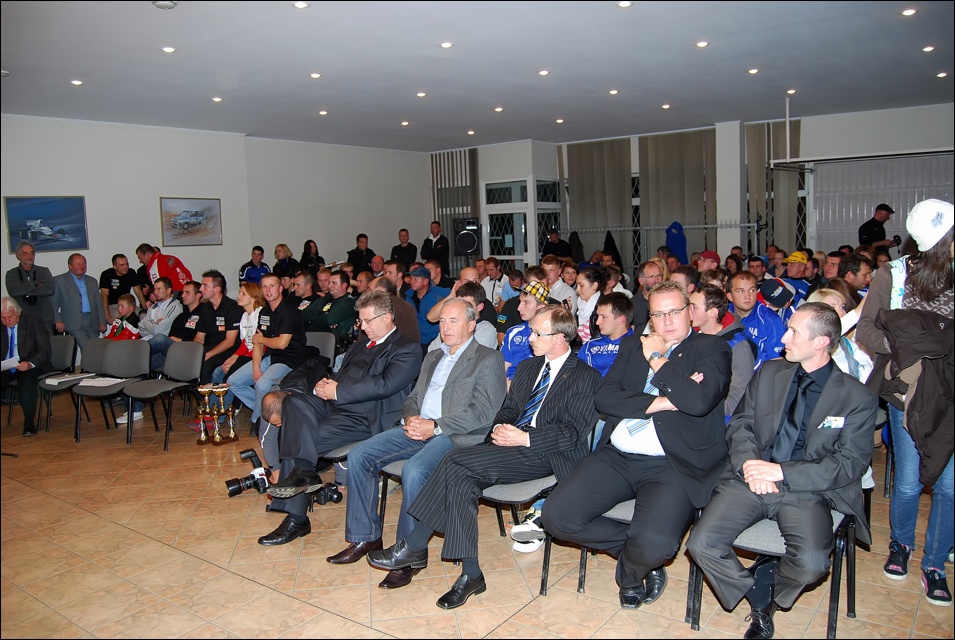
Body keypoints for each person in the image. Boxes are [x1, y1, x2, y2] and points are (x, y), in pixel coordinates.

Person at [366, 306, 602, 606]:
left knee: (454, 460)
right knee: (462, 480)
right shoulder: (529, 368)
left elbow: (573, 434)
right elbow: (507, 410)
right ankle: (471, 574)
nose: (530, 338)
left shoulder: (585, 376)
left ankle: (413, 545)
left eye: (537, 333)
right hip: (509, 446)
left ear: (560, 337)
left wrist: (525, 437)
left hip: (547, 453)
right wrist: (501, 429)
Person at [687, 302, 877, 638]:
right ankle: (759, 595)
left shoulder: (856, 396)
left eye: (793, 332)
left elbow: (849, 462)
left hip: (806, 489)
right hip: (750, 479)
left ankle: (769, 582)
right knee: (701, 544)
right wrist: (750, 465)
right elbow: (741, 424)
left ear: (821, 342)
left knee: (812, 564)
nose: (783, 339)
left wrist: (782, 472)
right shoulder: (770, 373)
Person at [541, 281, 731, 610]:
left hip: (672, 463)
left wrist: (658, 358)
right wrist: (664, 401)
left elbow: (697, 401)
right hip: (617, 455)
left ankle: (631, 572)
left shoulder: (712, 348)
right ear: (649, 317)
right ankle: (634, 551)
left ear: (690, 312)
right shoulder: (632, 346)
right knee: (557, 517)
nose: (667, 321)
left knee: (657, 545)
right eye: (658, 314)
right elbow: (605, 398)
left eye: (674, 311)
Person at [326, 299, 507, 588]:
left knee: (415, 470)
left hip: (455, 435)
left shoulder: (487, 358)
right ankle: (365, 537)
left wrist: (434, 426)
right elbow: (413, 397)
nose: (445, 327)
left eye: (454, 321)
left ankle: (409, 554)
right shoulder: (433, 356)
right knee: (360, 454)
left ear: (472, 324)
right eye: (442, 321)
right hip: (419, 427)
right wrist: (411, 418)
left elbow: (483, 412)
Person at [260, 291, 422, 546]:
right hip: (335, 407)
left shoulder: (407, 348)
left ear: (387, 317)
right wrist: (323, 385)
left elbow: (385, 385)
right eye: (361, 321)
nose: (363, 327)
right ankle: (305, 473)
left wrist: (338, 391)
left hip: (366, 418)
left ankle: (296, 518)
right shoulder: (359, 345)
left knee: (298, 436)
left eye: (368, 321)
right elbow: (340, 376)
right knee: (292, 403)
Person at [856, 198, 954, 607]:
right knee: (910, 480)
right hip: (907, 392)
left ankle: (935, 563)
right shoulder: (893, 274)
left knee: (949, 484)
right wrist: (907, 349)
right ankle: (900, 544)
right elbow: (866, 330)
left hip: (950, 392)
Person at [223, 274, 306, 434]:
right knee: (233, 382)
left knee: (261, 385)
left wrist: (261, 339)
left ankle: (257, 422)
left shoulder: (290, 312)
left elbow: (282, 343)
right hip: (271, 358)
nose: (268, 290)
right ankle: (267, 410)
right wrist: (256, 368)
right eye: (265, 286)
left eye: (272, 286)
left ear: (280, 288)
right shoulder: (264, 313)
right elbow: (257, 344)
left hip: (290, 360)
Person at [689, 284, 756, 419]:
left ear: (713, 312)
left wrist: (714, 414)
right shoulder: (689, 337)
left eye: (694, 307)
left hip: (717, 419)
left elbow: (739, 394)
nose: (688, 311)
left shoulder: (738, 346)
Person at [2, 296, 52, 436]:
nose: (7, 321)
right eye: (3, 318)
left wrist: (30, 363)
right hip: (7, 366)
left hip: (31, 364)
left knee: (27, 380)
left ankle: (29, 422)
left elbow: (45, 351)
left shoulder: (34, 323)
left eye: (10, 317)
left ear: (18, 313)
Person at [210, 281, 264, 389]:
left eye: (243, 294)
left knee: (227, 375)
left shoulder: (260, 314)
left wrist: (237, 359)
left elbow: (262, 344)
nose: (239, 296)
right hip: (247, 354)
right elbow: (244, 342)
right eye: (239, 293)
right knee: (218, 371)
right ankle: (217, 400)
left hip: (258, 356)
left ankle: (228, 400)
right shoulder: (244, 316)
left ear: (254, 298)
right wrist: (233, 357)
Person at [727, 270, 786, 369]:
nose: (747, 296)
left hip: (759, 376)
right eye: (740, 291)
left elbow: (777, 363)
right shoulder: (722, 315)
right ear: (730, 296)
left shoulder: (771, 321)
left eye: (752, 290)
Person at [193, 270, 243, 384]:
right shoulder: (205, 308)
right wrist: (195, 353)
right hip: (210, 347)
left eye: (205, 286)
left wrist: (209, 354)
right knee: (190, 361)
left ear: (216, 289)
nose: (201, 289)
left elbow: (230, 341)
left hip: (228, 350)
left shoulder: (232, 308)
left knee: (206, 366)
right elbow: (199, 337)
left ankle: (207, 394)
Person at [52, 253, 107, 352]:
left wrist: (102, 321)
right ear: (70, 266)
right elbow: (53, 304)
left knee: (97, 349)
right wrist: (58, 320)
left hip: (92, 322)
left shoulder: (92, 281)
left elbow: (98, 303)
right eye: (78, 264)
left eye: (84, 263)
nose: (82, 266)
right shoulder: (59, 280)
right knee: (87, 348)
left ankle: (91, 363)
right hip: (74, 323)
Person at [501, 280, 550, 381]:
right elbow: (502, 369)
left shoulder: (552, 335)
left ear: (541, 307)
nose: (519, 308)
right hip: (511, 385)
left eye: (526, 303)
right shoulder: (513, 332)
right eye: (520, 302)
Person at [149, 280, 202, 371]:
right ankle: (134, 355)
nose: (183, 295)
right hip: (170, 352)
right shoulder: (182, 315)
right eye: (183, 292)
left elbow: (202, 338)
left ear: (198, 295)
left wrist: (181, 340)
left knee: (160, 338)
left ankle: (138, 351)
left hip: (187, 349)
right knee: (141, 362)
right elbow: (171, 334)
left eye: (187, 293)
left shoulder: (203, 313)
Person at [579, 292, 634, 378]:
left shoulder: (637, 346)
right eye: (598, 316)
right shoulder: (589, 347)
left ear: (621, 319)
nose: (597, 322)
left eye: (603, 317)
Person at [5, 241, 55, 330]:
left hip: (44, 319)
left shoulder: (43, 271)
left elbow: (50, 290)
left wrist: (24, 290)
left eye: (32, 253)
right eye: (25, 253)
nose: (29, 256)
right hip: (22, 320)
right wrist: (35, 283)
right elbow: (14, 292)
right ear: (18, 256)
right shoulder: (12, 274)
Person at [405, 265, 450, 352]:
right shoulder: (408, 296)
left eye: (416, 279)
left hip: (436, 341)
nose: (412, 281)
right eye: (411, 278)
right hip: (416, 341)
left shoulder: (442, 294)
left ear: (425, 281)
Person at [301, 271, 357, 338]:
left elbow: (328, 320)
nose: (329, 286)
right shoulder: (325, 299)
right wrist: (323, 315)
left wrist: (312, 320)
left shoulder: (349, 303)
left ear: (344, 285)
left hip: (333, 340)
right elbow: (305, 314)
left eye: (334, 283)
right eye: (329, 282)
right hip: (314, 335)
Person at [371, 276, 419, 344]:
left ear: (380, 289)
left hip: (394, 348)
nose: (368, 294)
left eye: (370, 290)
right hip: (412, 347)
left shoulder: (383, 308)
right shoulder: (408, 305)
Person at [99, 253, 145, 323]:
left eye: (127, 264)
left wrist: (146, 310)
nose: (125, 267)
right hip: (112, 306)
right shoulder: (106, 274)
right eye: (122, 265)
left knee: (143, 316)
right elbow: (104, 296)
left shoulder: (131, 273)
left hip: (128, 305)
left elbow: (139, 293)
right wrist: (107, 316)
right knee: (122, 316)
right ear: (114, 266)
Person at [137, 277, 183, 346]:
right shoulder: (152, 307)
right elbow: (141, 329)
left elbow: (158, 331)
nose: (155, 292)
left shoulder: (175, 307)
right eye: (154, 289)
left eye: (159, 289)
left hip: (164, 344)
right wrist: (154, 325)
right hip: (148, 340)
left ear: (168, 290)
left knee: (159, 338)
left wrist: (146, 323)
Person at [574, 267, 607, 344]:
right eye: (577, 285)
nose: (577, 290)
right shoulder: (581, 304)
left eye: (581, 285)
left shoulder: (604, 307)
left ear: (594, 286)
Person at [632, 260, 664, 333]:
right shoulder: (633, 304)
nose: (657, 280)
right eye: (652, 276)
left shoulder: (668, 301)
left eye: (659, 276)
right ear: (641, 281)